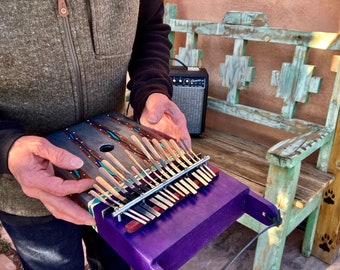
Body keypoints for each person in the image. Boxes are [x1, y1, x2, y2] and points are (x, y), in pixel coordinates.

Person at [0, 0, 191, 269]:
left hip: (121, 177)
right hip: (25, 189)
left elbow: (148, 29)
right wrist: (6, 146)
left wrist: (152, 90)